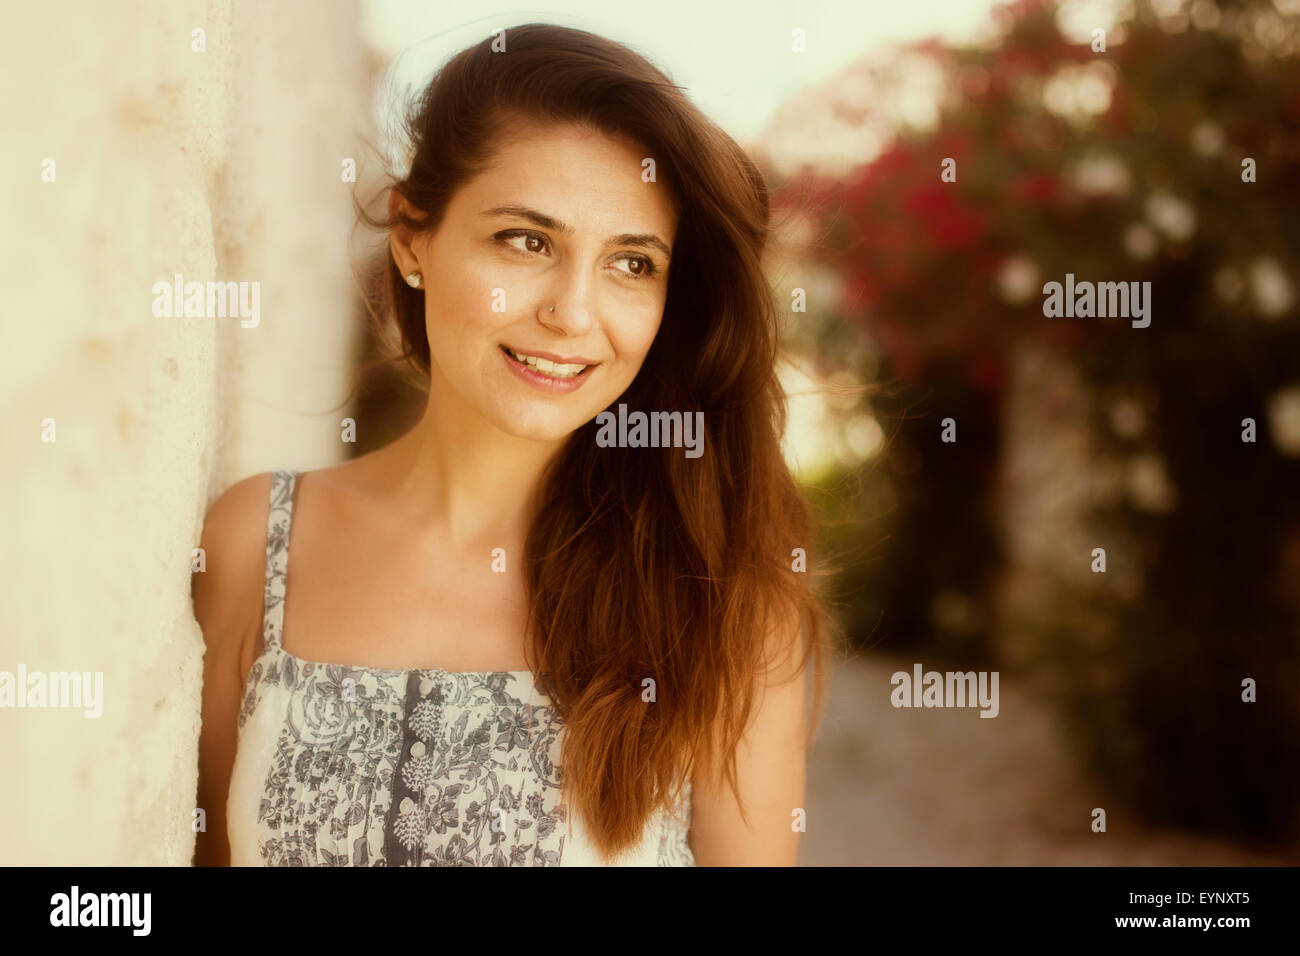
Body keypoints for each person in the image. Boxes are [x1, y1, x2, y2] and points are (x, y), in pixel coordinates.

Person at [193, 22, 828, 867]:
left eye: (632, 264)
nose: (572, 313)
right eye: (527, 241)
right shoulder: (254, 544)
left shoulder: (728, 610)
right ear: (414, 239)